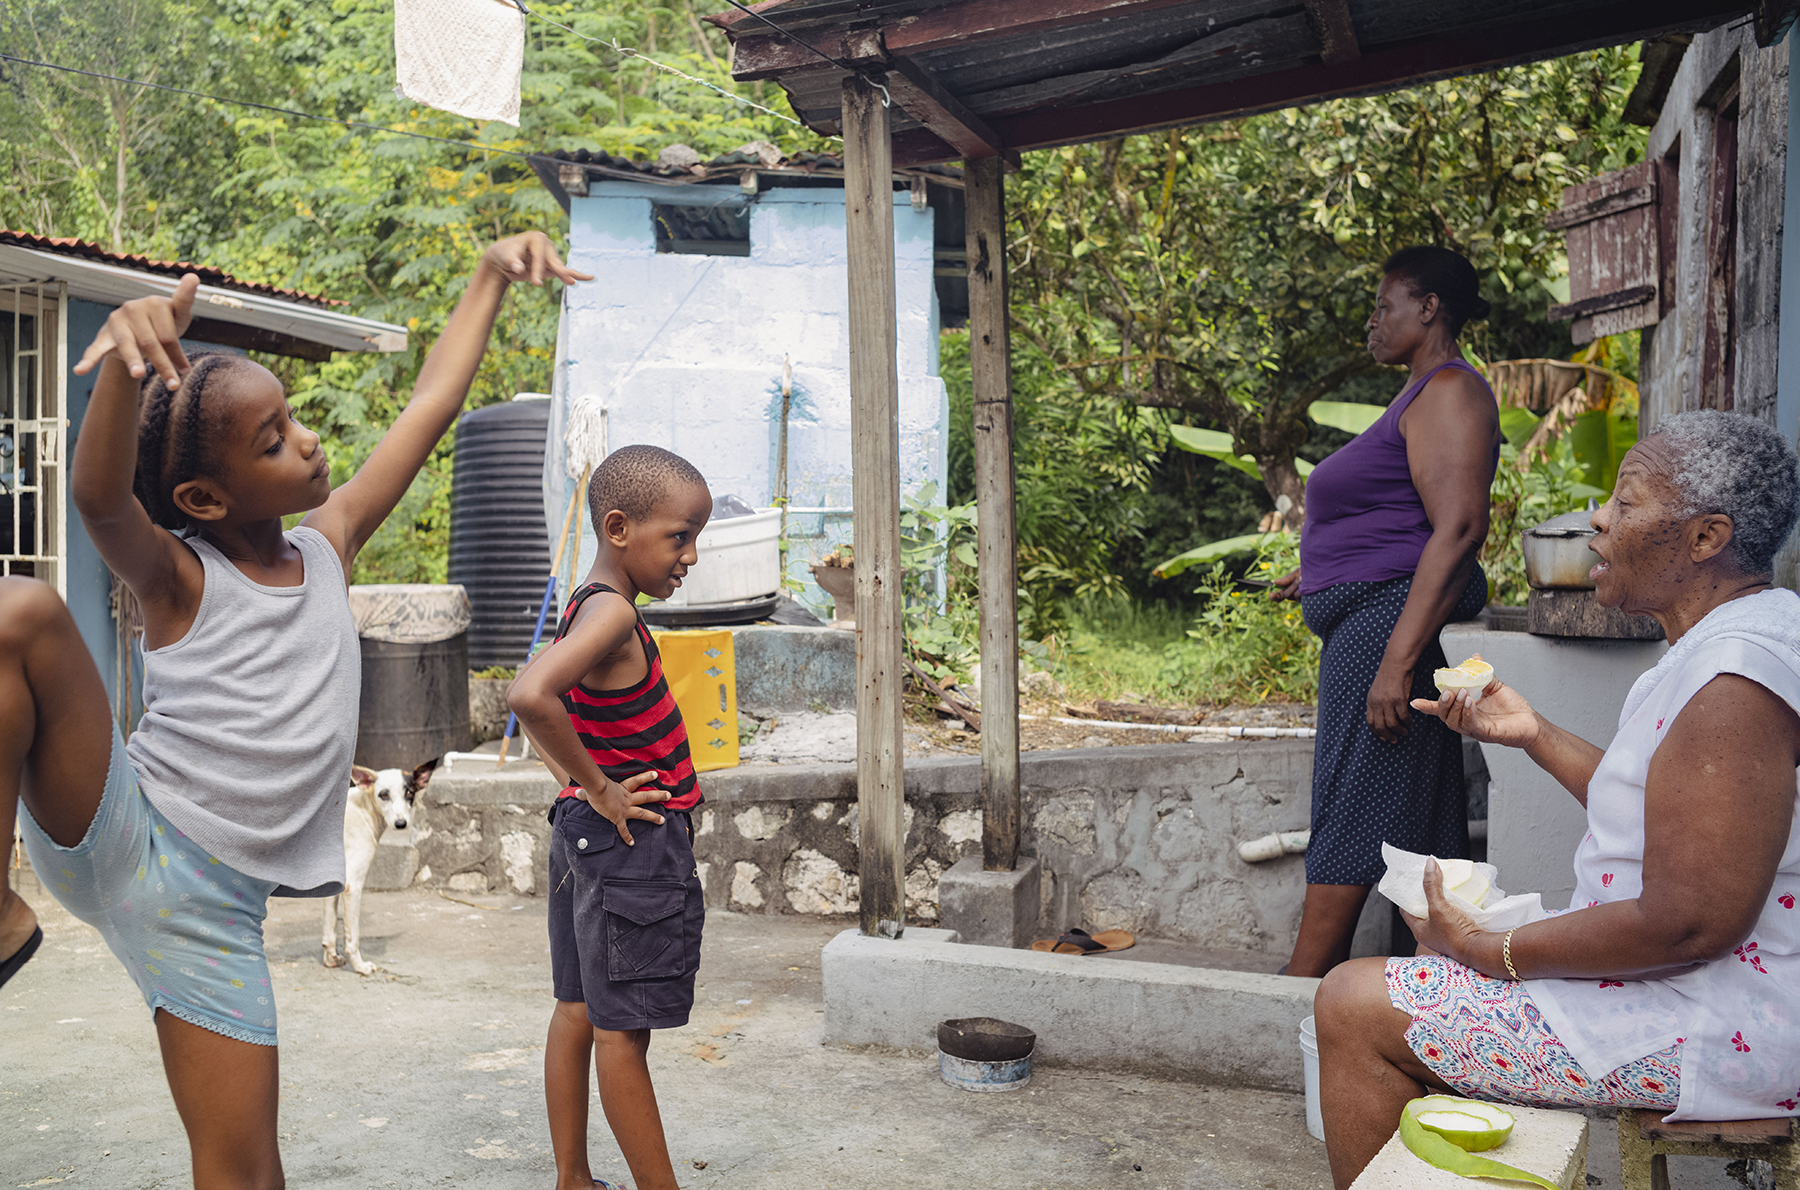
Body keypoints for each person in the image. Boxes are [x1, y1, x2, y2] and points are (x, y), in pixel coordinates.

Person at [0, 232, 588, 1188]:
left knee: (247, 1175)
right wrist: (121, 363)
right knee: (17, 609)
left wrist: (487, 277)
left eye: (295, 419)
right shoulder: (180, 578)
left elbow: (432, 406)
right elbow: (101, 499)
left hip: (210, 914)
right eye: (271, 441)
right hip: (125, 829)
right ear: (203, 495)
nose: (307, 440)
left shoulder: (329, 544)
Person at [1312, 410, 1800, 1189]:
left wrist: (1486, 952)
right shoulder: (1734, 644)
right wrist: (1532, 733)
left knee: (1352, 1002)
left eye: (1629, 503)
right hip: (1692, 985)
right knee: (1415, 979)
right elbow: (1668, 814)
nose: (1600, 521)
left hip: (1720, 1017)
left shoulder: (1736, 679)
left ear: (1707, 537)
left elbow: (1690, 923)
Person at [1271, 246, 1502, 977]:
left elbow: (1460, 527)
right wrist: (1319, 571)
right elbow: (1399, 521)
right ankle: (1421, 993)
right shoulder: (1419, 395)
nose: (1372, 322)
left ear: (1428, 307)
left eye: (1383, 305)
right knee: (1419, 826)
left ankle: (1301, 987)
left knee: (1351, 807)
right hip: (1376, 616)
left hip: (1386, 632)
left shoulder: (1450, 391)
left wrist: (1397, 662)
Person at [507, 444, 714, 1190]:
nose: (691, 555)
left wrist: (573, 782)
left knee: (579, 1011)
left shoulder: (584, 603)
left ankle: (573, 1178)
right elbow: (530, 696)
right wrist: (600, 787)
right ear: (619, 527)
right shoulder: (615, 613)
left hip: (586, 841)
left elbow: (549, 704)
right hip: (632, 849)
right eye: (680, 536)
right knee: (623, 1034)